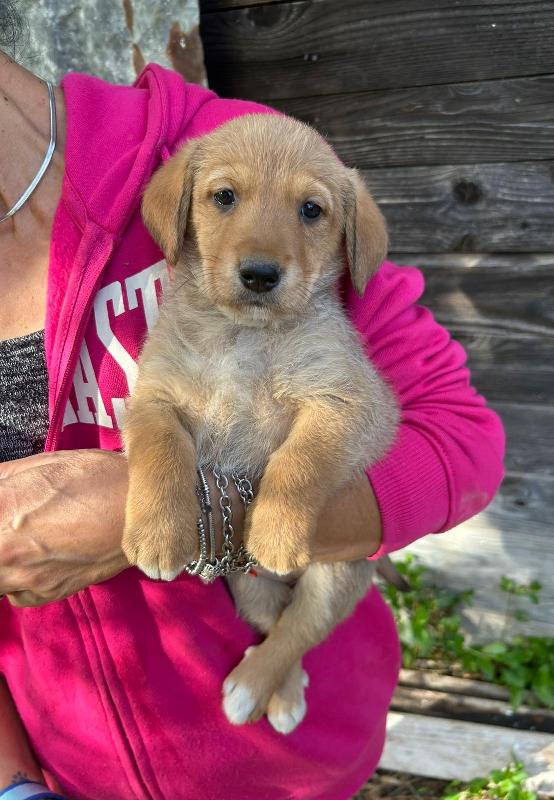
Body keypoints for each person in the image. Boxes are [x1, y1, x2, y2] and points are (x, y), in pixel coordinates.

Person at [0, 7, 505, 800]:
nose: (262, 242)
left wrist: (215, 515)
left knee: (320, 589)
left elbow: (460, 440)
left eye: (312, 213)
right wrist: (11, 781)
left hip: (302, 766)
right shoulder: (190, 250)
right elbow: (157, 407)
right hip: (64, 767)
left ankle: (282, 657)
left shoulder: (221, 143)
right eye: (225, 200)